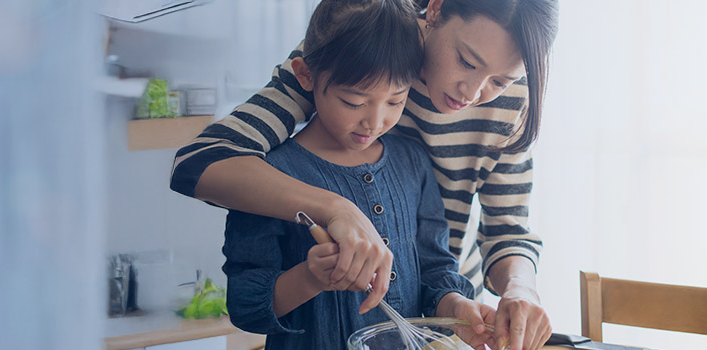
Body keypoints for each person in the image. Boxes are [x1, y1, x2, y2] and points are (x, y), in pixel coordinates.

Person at [173, 0, 558, 348]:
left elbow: (505, 230)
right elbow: (202, 160)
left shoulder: (508, 104)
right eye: (467, 61)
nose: (472, 92)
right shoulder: (359, 38)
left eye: (501, 80)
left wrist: (521, 290)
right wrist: (337, 210)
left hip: (440, 312)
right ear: (436, 10)